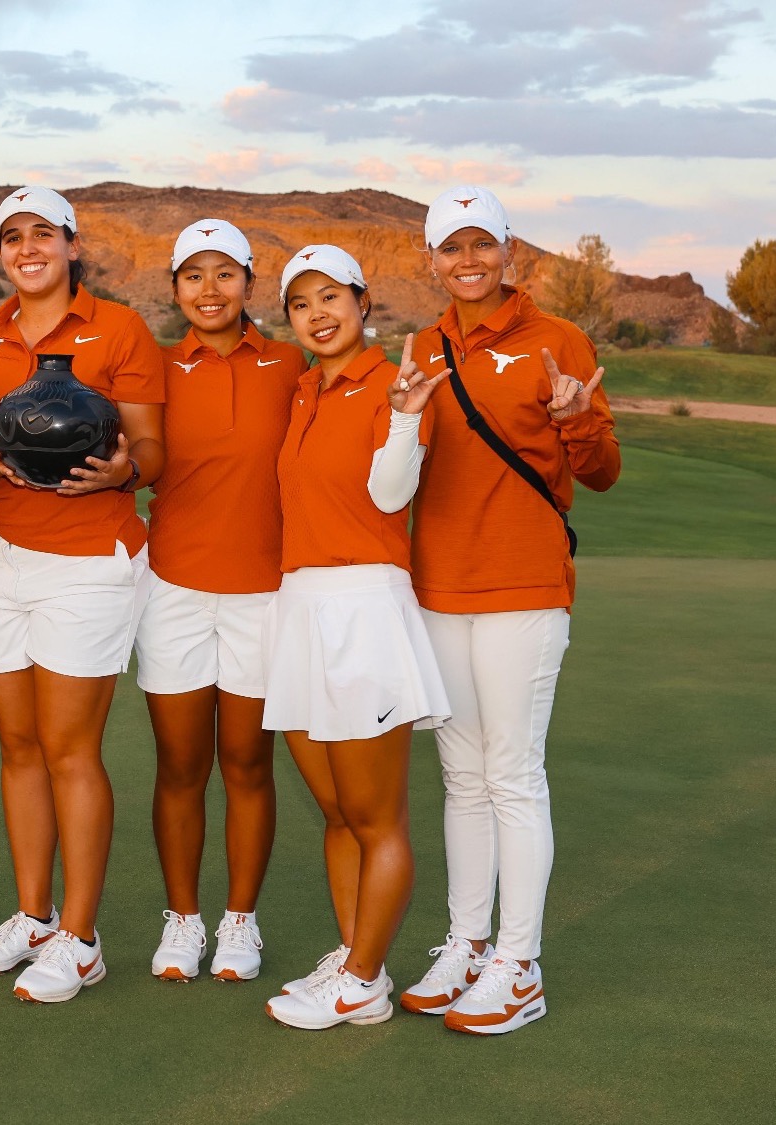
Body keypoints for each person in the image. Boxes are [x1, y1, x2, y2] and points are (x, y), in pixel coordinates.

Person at [395, 186, 619, 1035]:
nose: (467, 261)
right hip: (439, 586)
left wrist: (577, 419)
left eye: (480, 244)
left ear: (508, 250)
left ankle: (519, 966)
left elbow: (601, 473)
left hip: (524, 585)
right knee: (462, 777)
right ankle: (465, 944)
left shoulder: (559, 341)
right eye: (451, 248)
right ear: (432, 260)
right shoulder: (422, 346)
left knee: (513, 775)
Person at [0, 186, 167, 1003]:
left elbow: (151, 446)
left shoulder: (120, 328)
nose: (28, 247)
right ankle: (34, 916)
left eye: (44, 233)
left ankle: (81, 937)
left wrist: (124, 470)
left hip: (87, 559)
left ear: (73, 245)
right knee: (19, 746)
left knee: (70, 746)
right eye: (13, 236)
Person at [256, 245, 451, 1031]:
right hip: (300, 608)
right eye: (301, 303)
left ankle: (366, 977)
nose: (317, 314)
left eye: (331, 296)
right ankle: (351, 956)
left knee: (377, 820)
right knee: (336, 813)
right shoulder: (305, 389)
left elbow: (390, 492)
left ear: (364, 302)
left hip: (366, 610)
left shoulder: (394, 385)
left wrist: (405, 415)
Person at [137, 220, 302, 983]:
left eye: (225, 273)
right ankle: (182, 920)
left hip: (262, 594)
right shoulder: (154, 367)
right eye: (193, 275)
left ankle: (240, 920)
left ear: (249, 283)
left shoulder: (292, 363)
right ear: (174, 288)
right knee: (179, 764)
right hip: (172, 586)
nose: (210, 290)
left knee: (246, 762)